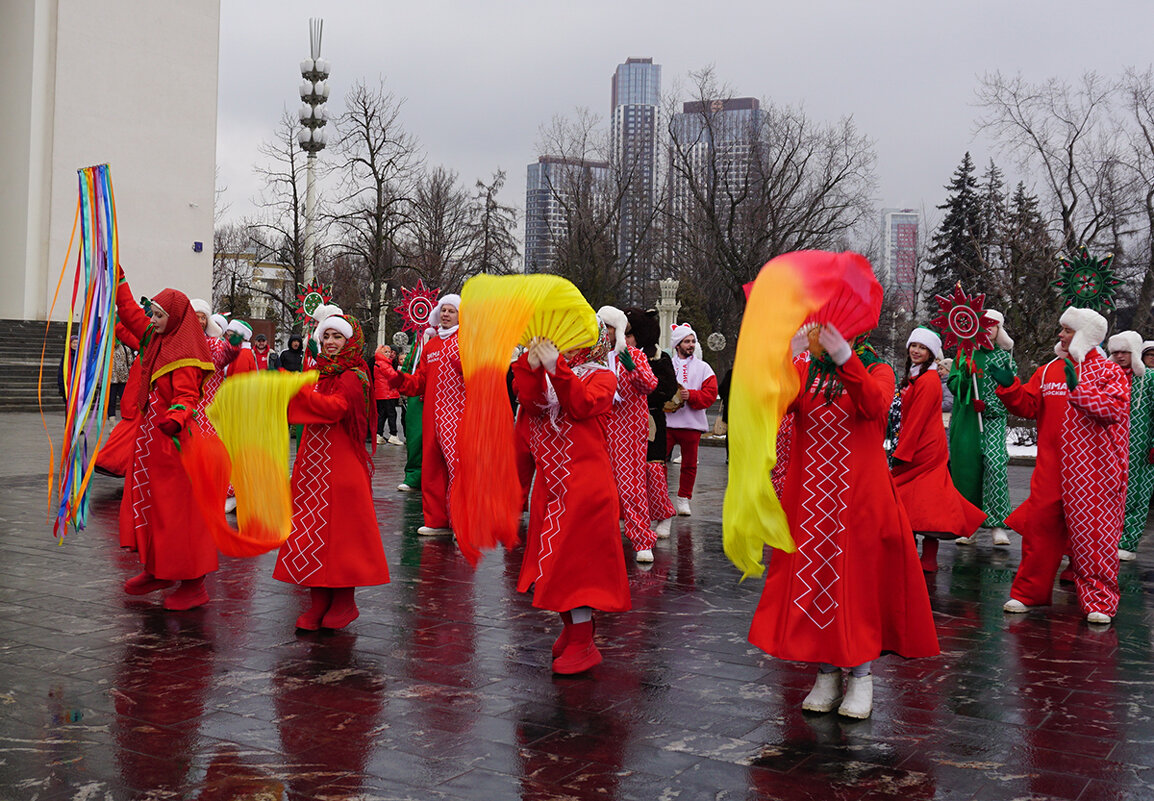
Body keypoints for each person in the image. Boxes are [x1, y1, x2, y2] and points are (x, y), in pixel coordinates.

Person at [748, 325, 939, 719]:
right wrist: (786, 354)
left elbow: (874, 405)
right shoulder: (806, 371)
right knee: (814, 579)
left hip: (860, 500)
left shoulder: (878, 368)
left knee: (857, 584)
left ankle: (862, 676)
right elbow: (770, 403)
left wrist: (845, 360)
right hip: (811, 501)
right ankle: (826, 672)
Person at [992, 307, 1129, 625]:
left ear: (1084, 335)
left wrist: (1079, 390)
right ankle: (1027, 593)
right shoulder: (1048, 370)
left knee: (1094, 538)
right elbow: (1028, 407)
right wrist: (1009, 386)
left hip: (1092, 473)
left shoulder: (1109, 371)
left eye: (1067, 330)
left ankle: (1099, 600)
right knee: (1038, 533)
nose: (1060, 335)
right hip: (1051, 470)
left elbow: (1114, 409)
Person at [511, 326, 631, 674]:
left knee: (577, 567)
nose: (571, 344)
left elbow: (579, 405)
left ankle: (583, 640)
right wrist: (532, 366)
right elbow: (531, 404)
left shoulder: (603, 377)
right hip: (553, 484)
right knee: (552, 563)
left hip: (585, 486)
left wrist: (555, 368)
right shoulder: (555, 374)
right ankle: (575, 630)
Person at [273, 314, 390, 630]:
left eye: (337, 337)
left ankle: (344, 601)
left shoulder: (355, 375)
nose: (330, 343)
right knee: (310, 531)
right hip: (312, 466)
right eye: (327, 337)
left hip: (340, 466)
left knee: (341, 534)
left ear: (349, 341)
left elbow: (337, 408)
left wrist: (298, 391)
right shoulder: (315, 372)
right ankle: (318, 602)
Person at [113, 268, 218, 610]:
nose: (153, 319)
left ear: (174, 318)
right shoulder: (157, 337)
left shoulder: (184, 351)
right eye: (153, 314)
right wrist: (117, 277)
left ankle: (193, 582)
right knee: (151, 505)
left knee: (177, 512)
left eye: (159, 315)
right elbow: (129, 313)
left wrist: (174, 419)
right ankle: (157, 568)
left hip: (174, 443)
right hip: (149, 442)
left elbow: (187, 397)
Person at [890, 327, 985, 572]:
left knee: (915, 499)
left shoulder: (928, 381)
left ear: (932, 354)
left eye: (922, 348)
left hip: (923, 447)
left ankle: (922, 556)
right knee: (925, 501)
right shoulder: (917, 377)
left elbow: (918, 419)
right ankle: (923, 557)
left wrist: (902, 452)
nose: (916, 351)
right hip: (921, 444)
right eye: (914, 346)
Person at [391, 295, 463, 535]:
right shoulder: (431, 345)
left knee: (458, 469)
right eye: (443, 310)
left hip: (458, 416)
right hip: (433, 417)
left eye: (451, 311)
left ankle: (461, 522)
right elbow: (419, 382)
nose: (446, 314)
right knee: (432, 470)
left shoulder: (466, 341)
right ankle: (436, 521)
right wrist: (398, 379)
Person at [597, 306, 659, 563]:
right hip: (600, 428)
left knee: (631, 486)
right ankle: (598, 537)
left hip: (628, 431)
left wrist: (632, 368)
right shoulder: (595, 358)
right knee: (599, 488)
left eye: (609, 328)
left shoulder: (633, 355)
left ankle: (642, 538)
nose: (605, 332)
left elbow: (650, 385)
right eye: (603, 327)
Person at [949, 310, 1016, 547]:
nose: (989, 330)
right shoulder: (965, 355)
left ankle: (998, 524)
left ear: (999, 330)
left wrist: (992, 405)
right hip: (969, 421)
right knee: (969, 470)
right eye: (985, 325)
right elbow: (955, 384)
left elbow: (1013, 390)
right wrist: (966, 378)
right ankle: (971, 524)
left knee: (995, 463)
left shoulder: (1005, 358)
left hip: (994, 420)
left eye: (993, 326)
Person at [624, 308, 679, 538]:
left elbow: (667, 389)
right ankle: (632, 517)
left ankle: (662, 514)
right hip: (624, 422)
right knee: (627, 472)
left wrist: (643, 391)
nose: (624, 339)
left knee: (652, 469)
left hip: (651, 421)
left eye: (628, 334)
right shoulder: (616, 355)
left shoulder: (659, 357)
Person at [664, 323, 719, 516]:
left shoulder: (704, 368)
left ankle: (684, 499)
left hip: (692, 425)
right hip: (668, 423)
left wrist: (692, 396)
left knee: (689, 465)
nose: (691, 345)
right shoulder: (667, 364)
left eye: (693, 341)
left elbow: (711, 394)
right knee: (658, 463)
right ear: (677, 345)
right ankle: (660, 498)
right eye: (687, 341)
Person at [1109, 332, 1154, 561]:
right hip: (1110, 446)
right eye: (1115, 352)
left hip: (1140, 445)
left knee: (1136, 495)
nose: (1119, 356)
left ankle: (1128, 542)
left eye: (1124, 352)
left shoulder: (1149, 377)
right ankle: (1109, 539)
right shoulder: (1108, 377)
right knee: (1110, 495)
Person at [396, 333, 427, 492]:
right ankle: (414, 476)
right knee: (415, 435)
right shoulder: (420, 341)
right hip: (417, 396)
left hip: (444, 396)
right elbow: (410, 366)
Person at [373, 344, 403, 445]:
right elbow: (393, 375)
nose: (389, 354)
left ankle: (379, 434)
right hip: (387, 393)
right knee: (392, 414)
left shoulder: (378, 362)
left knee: (381, 414)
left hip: (381, 393)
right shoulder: (384, 363)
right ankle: (393, 435)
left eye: (389, 352)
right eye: (386, 352)